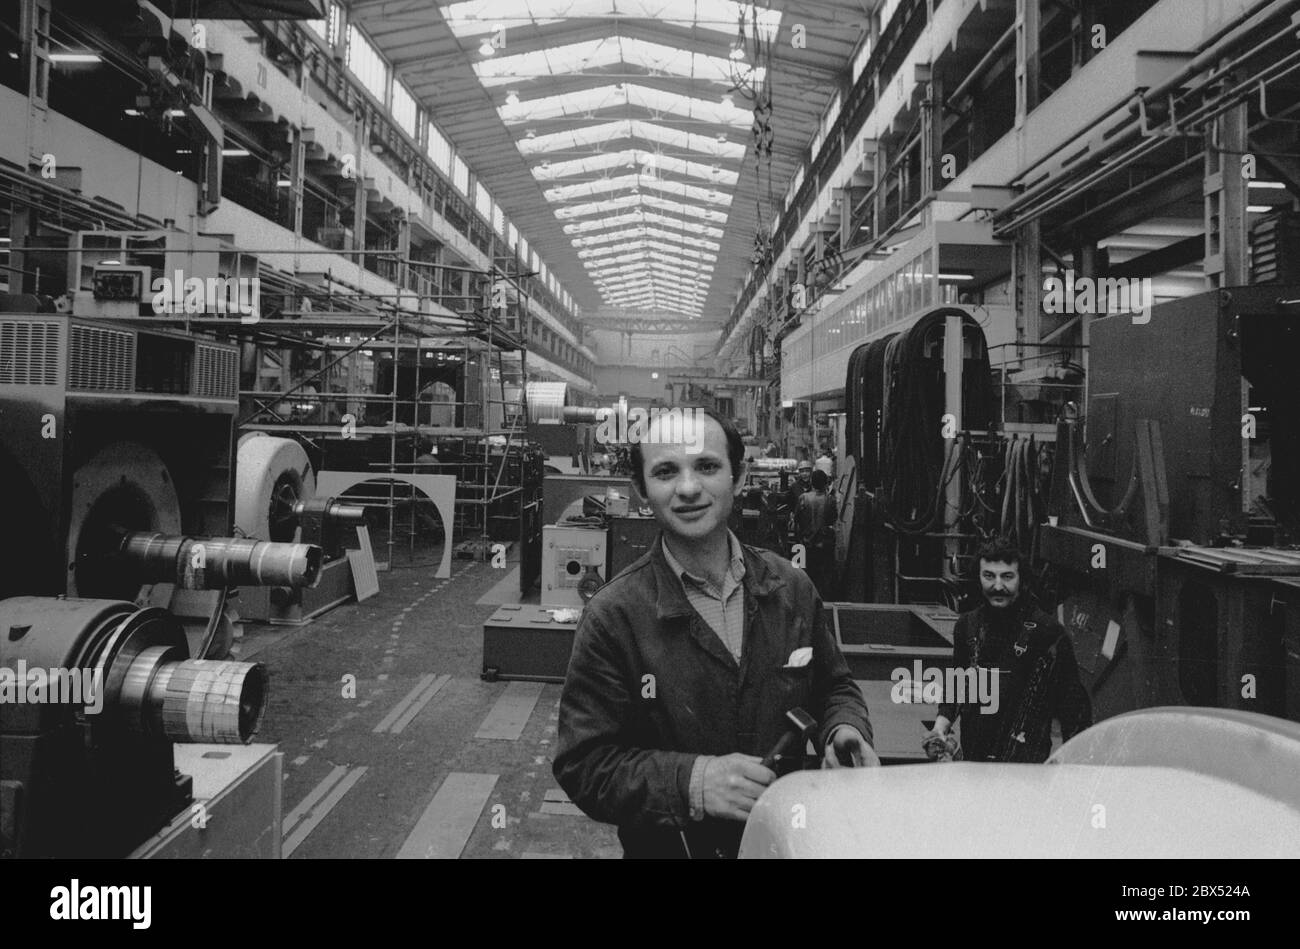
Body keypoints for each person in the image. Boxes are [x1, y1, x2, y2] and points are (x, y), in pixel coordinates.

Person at [554, 408, 876, 859]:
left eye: (707, 466)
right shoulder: (614, 616)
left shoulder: (792, 589)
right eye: (666, 472)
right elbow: (584, 764)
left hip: (785, 844)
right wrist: (693, 782)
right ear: (642, 492)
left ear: (738, 477)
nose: (688, 488)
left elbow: (833, 686)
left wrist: (844, 728)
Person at [925, 537, 1092, 763]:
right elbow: (957, 685)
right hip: (974, 766)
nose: (998, 586)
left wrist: (1071, 764)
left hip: (1026, 771)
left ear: (1021, 579)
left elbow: (1074, 708)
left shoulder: (1048, 632)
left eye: (1007, 576)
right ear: (978, 577)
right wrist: (940, 727)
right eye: (989, 576)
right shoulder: (967, 626)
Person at [793, 469, 837, 598]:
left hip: (804, 545)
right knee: (823, 579)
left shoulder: (803, 498)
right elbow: (832, 519)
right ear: (825, 484)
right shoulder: (830, 499)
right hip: (824, 546)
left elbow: (797, 520)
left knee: (804, 576)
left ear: (812, 482)